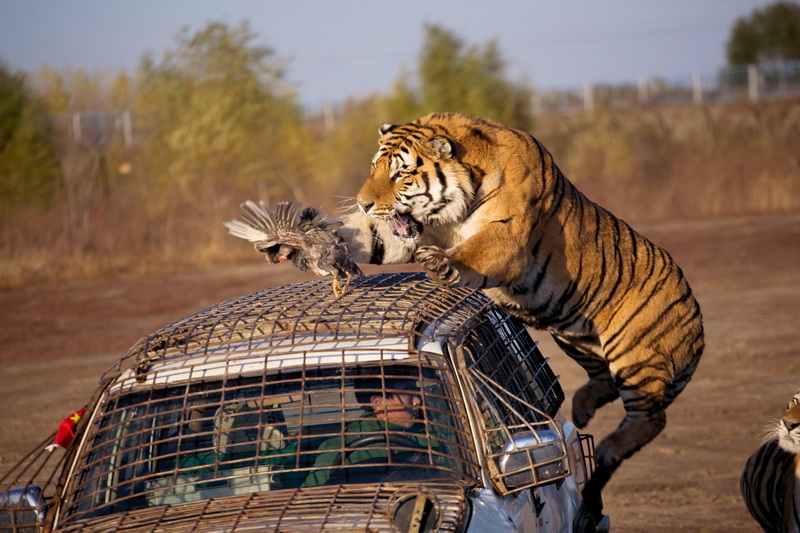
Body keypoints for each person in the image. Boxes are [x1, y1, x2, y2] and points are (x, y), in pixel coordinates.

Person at [303, 376, 439, 486]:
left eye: (415, 390)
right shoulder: (336, 451)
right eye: (408, 393)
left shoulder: (437, 429)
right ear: (378, 403)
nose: (417, 400)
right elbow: (310, 503)